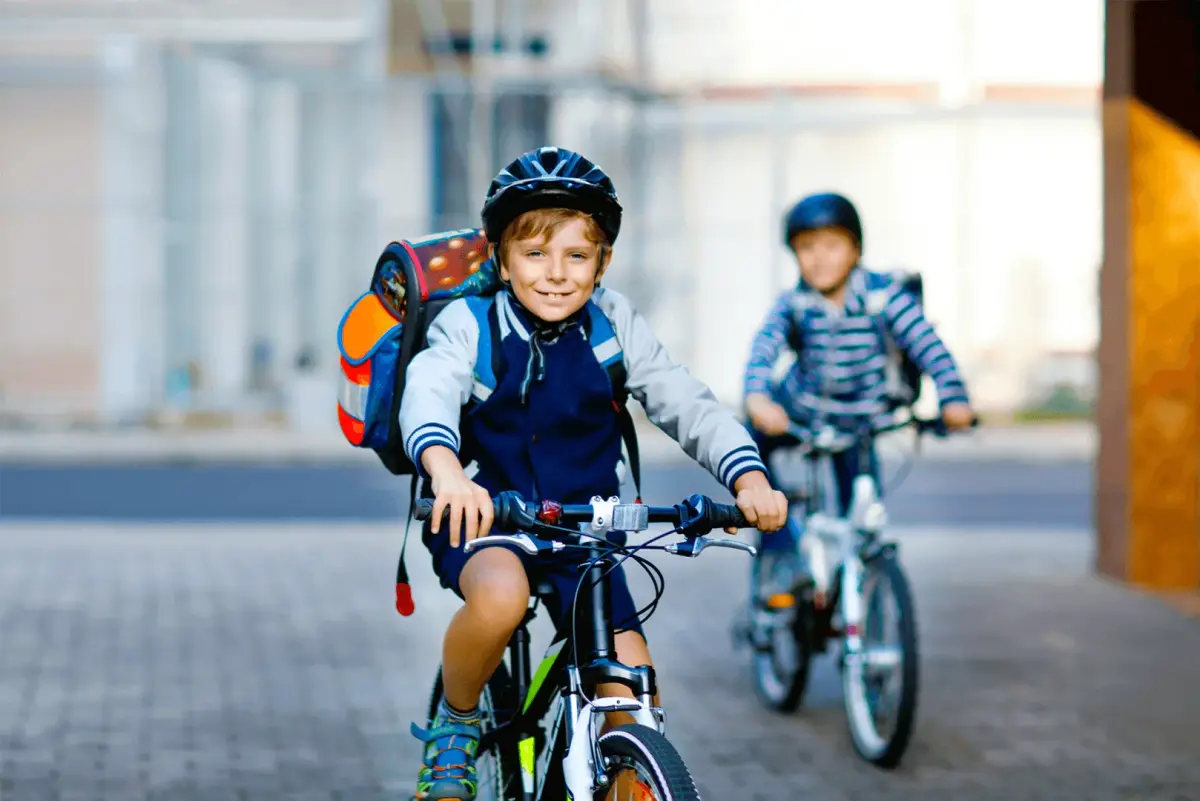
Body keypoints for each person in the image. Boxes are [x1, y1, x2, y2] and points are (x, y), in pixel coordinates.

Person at [400, 145, 789, 801]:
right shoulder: (471, 324)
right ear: (501, 258)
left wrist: (747, 477)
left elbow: (685, 401)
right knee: (500, 600)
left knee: (634, 699)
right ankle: (457, 722)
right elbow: (428, 391)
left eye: (576, 256)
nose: (556, 274)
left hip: (586, 531)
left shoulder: (613, 326)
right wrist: (446, 473)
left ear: (602, 262)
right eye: (534, 254)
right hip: (488, 517)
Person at [743, 191, 974, 594]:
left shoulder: (884, 297)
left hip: (861, 422)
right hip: (800, 414)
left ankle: (861, 591)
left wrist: (953, 397)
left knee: (862, 518)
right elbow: (765, 347)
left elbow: (927, 344)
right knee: (749, 450)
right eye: (806, 248)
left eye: (832, 245)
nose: (819, 258)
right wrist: (758, 397)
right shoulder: (794, 302)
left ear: (856, 250)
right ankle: (777, 545)